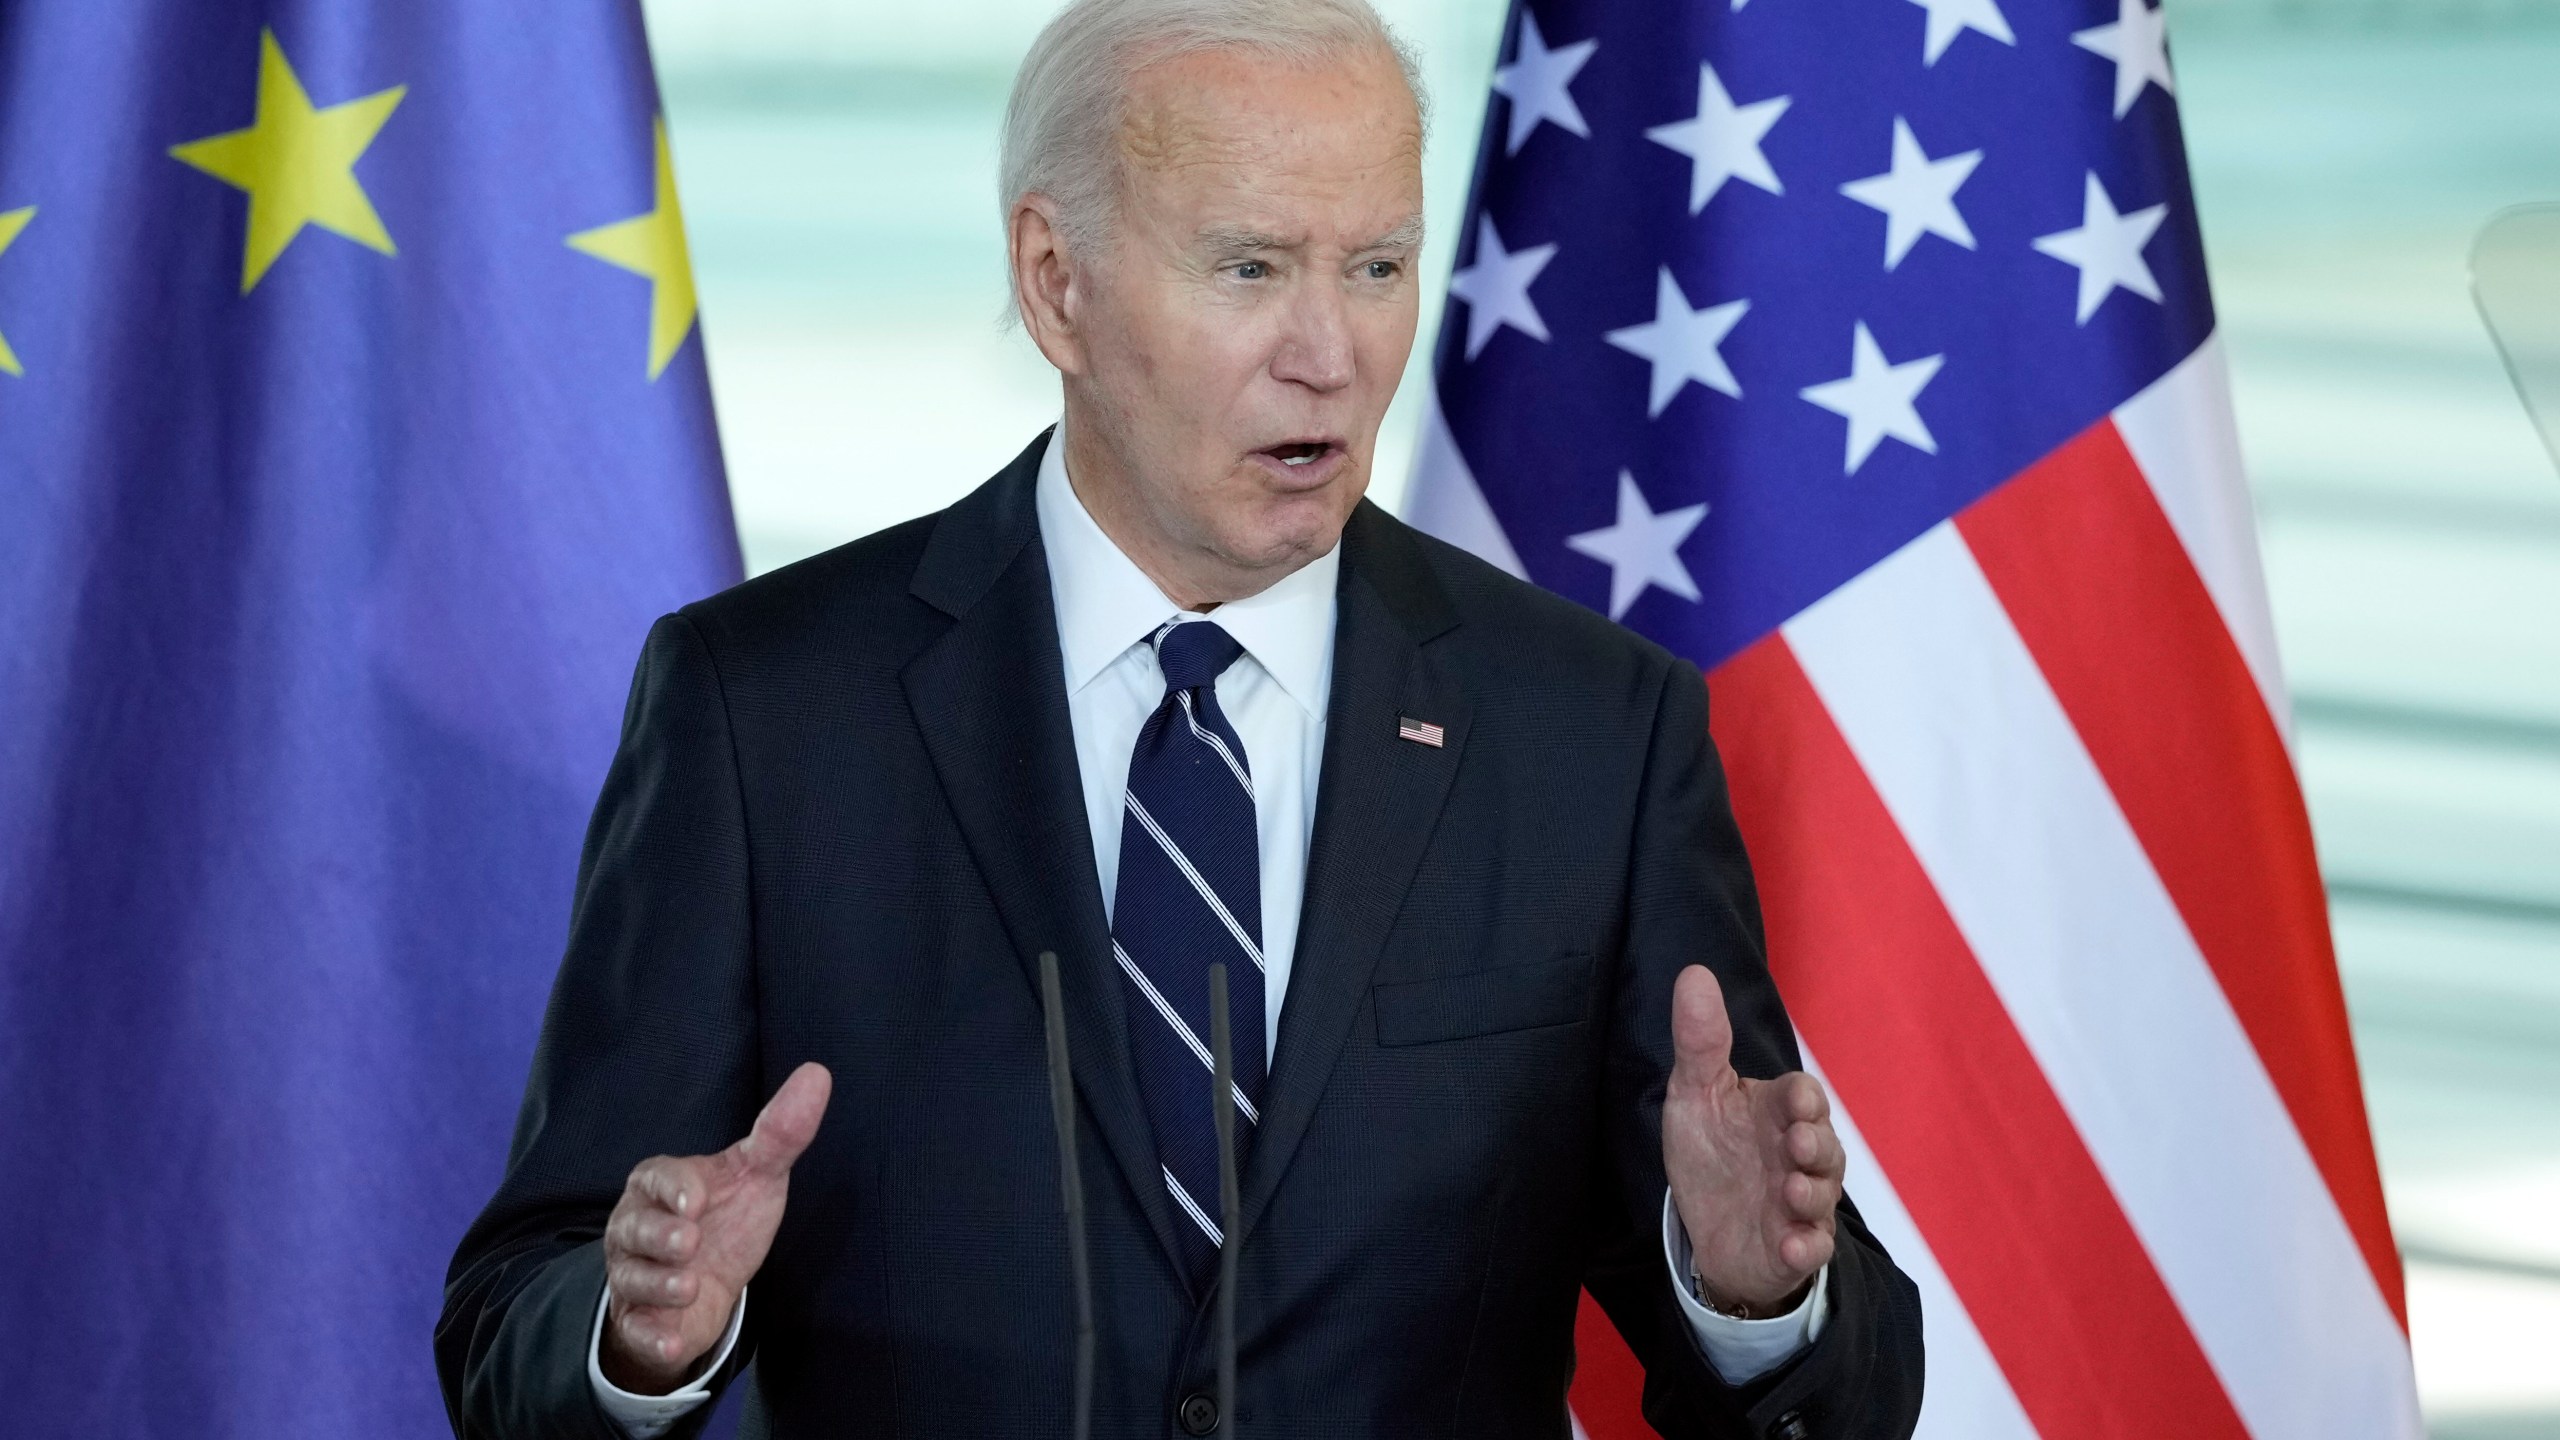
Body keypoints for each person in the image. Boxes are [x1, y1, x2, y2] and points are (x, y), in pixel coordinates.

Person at [437, 0, 1923, 1433]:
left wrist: (1749, 1292)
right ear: (1056, 282)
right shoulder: (766, 715)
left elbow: (1836, 1396)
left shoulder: (1589, 731)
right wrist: (636, 1332)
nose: (1329, 354)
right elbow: (515, 1318)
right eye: (1251, 268)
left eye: (1380, 267)